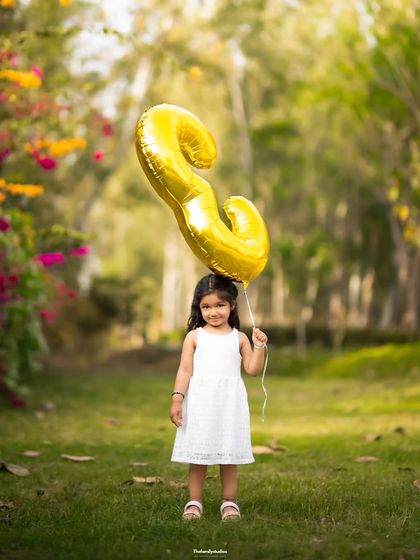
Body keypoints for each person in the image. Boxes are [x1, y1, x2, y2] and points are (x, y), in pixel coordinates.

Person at [169, 273, 268, 522]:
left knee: (228, 454)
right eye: (206, 306)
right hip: (201, 402)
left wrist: (258, 346)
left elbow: (253, 370)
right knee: (197, 455)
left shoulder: (239, 338)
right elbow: (185, 370)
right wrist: (178, 398)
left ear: (232, 305)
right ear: (198, 307)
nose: (213, 312)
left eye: (219, 305)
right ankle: (194, 502)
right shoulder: (194, 337)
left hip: (228, 405)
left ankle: (229, 502)